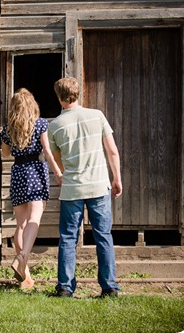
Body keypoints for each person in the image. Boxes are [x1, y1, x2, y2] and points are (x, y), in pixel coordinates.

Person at [48, 77, 122, 298]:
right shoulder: (97, 116)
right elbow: (112, 151)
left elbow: (56, 158)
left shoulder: (55, 126)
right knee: (103, 236)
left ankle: (64, 288)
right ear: (77, 94)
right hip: (99, 187)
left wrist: (63, 174)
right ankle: (109, 288)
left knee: (68, 238)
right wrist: (116, 178)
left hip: (72, 189)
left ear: (58, 97)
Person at [1, 88, 62, 289]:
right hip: (36, 171)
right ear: (32, 105)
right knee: (35, 218)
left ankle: (25, 276)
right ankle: (23, 257)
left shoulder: (7, 129)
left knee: (20, 224)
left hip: (18, 172)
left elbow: (7, 154)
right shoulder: (41, 124)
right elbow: (47, 150)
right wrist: (57, 172)